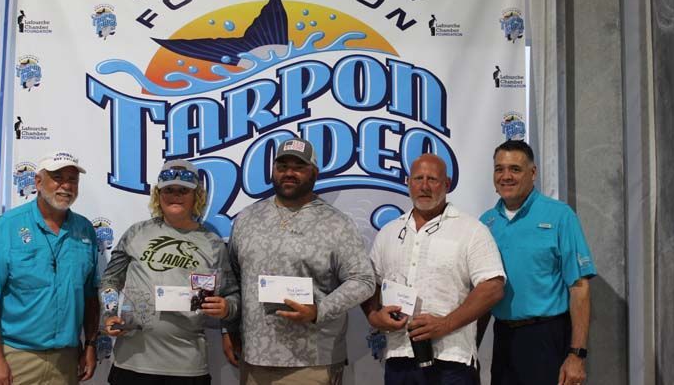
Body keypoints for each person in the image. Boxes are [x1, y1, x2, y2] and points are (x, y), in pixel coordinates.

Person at [223, 137, 375, 385]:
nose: (289, 173)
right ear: (273, 171)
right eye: (282, 167)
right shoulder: (247, 218)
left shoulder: (336, 223)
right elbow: (233, 282)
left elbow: (363, 280)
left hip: (311, 363)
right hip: (254, 360)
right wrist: (228, 329)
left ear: (314, 173)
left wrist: (319, 310)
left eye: (298, 167)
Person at [362, 154, 505, 385]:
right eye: (418, 178)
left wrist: (444, 324)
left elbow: (493, 287)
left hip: (451, 359)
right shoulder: (389, 232)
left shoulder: (471, 230)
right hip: (398, 357)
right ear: (408, 182)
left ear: (447, 184)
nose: (425, 186)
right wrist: (374, 316)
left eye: (433, 179)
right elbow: (369, 284)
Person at [101, 159, 239, 385]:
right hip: (131, 362)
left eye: (183, 190)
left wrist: (226, 308)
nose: (175, 195)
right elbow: (110, 279)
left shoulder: (213, 243)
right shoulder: (136, 233)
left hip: (187, 367)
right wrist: (108, 314)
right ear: (158, 195)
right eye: (169, 190)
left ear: (197, 196)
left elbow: (233, 295)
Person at [0, 150, 99, 385]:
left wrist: (90, 345)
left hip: (66, 360)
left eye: (72, 179)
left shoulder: (85, 231)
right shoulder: (6, 228)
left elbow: (91, 296)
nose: (66, 185)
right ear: (38, 182)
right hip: (15, 357)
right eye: (58, 177)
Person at [478, 140, 596, 385]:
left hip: (546, 337)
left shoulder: (560, 216)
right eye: (499, 169)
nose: (506, 176)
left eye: (515, 169)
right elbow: (482, 294)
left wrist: (577, 355)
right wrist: (473, 348)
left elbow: (579, 288)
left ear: (533, 173)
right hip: (503, 338)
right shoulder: (486, 223)